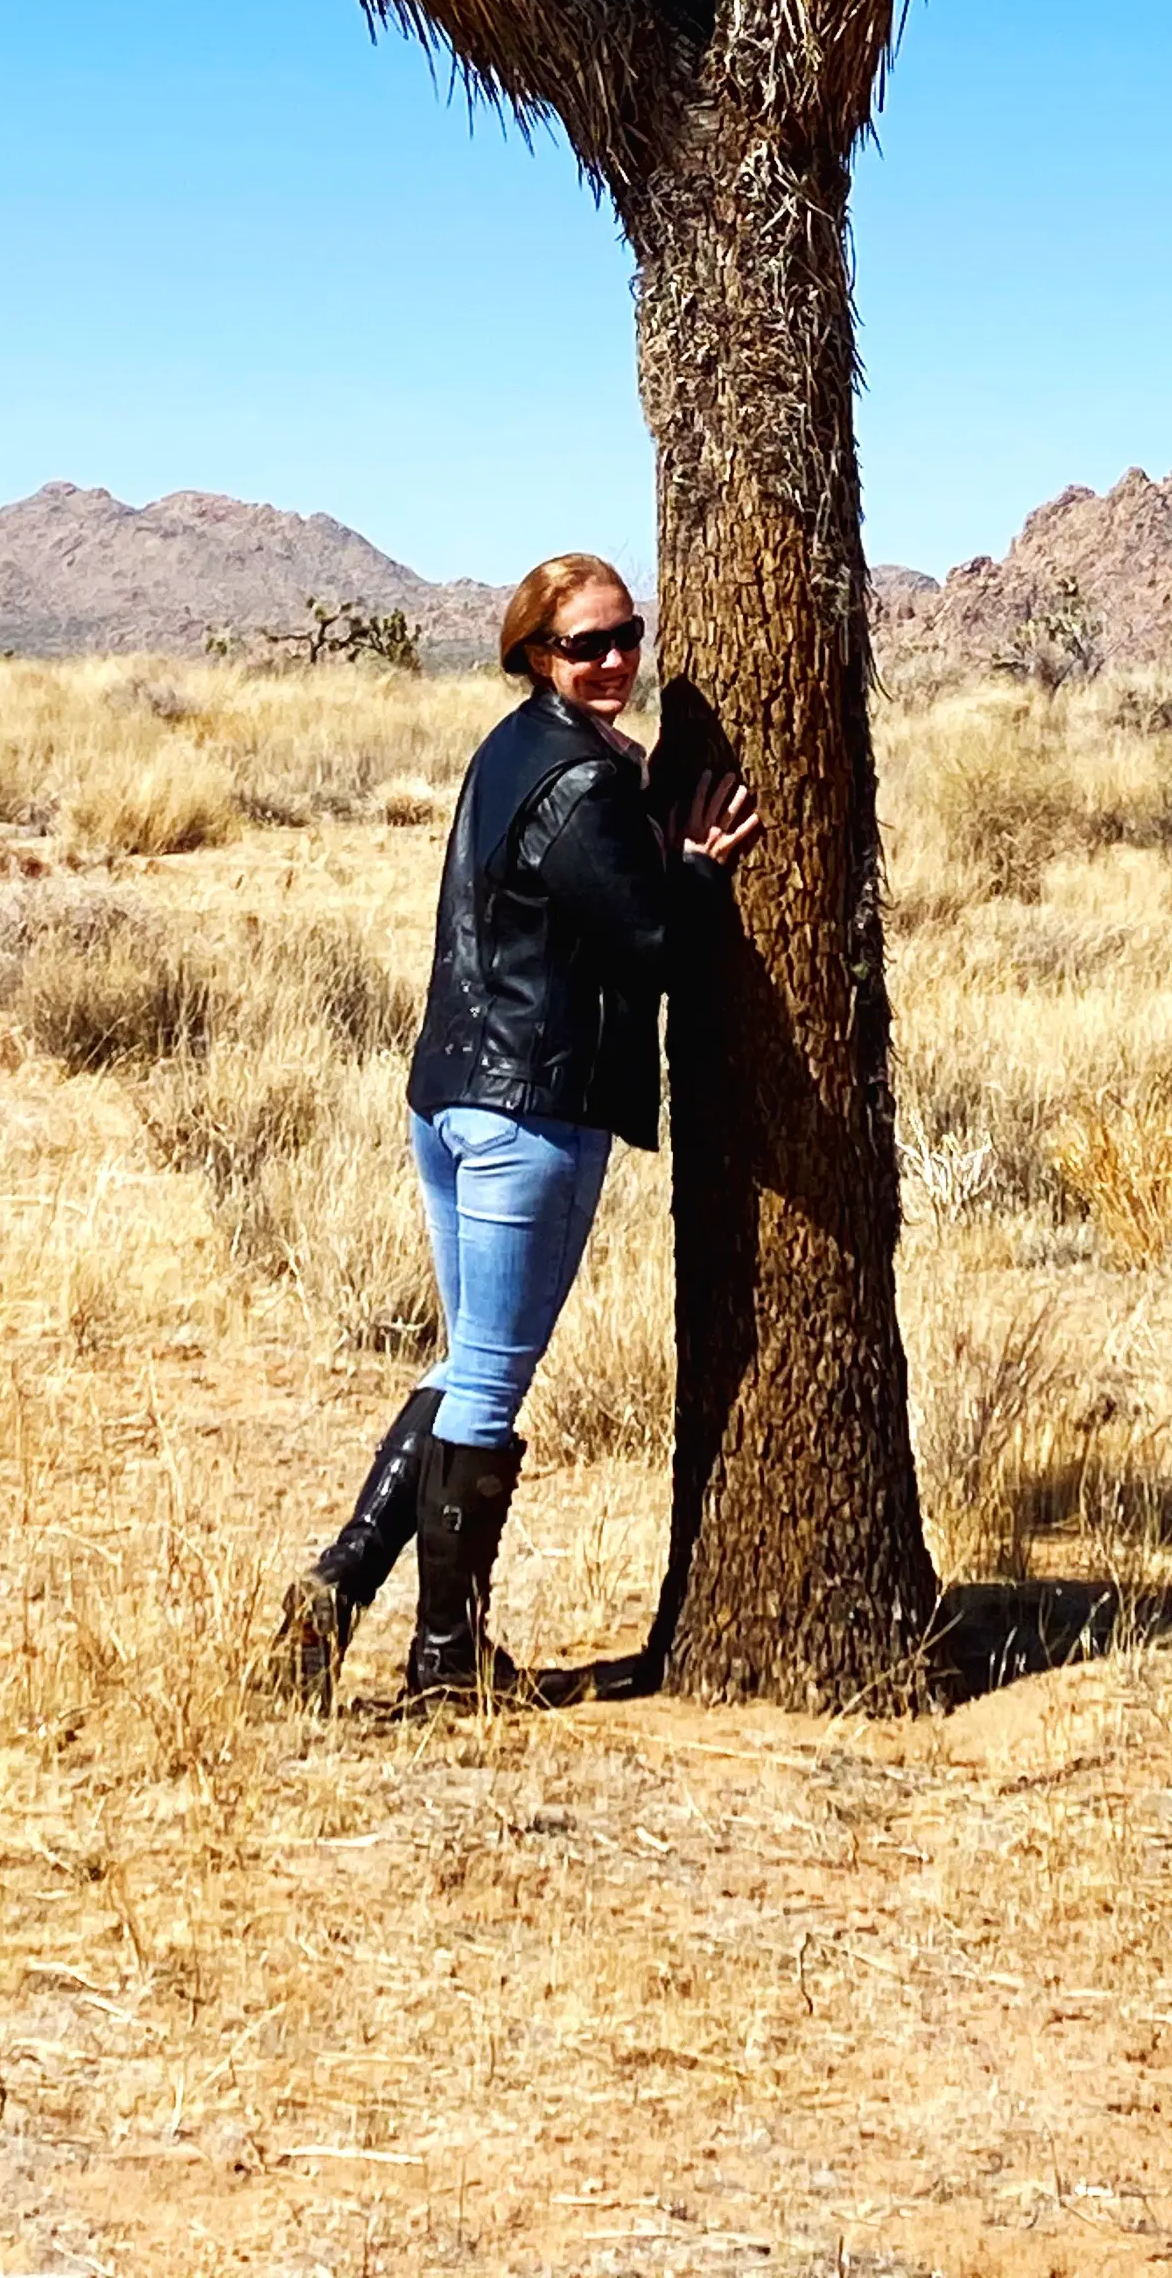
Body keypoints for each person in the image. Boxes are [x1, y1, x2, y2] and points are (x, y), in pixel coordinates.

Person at [271, 554, 759, 1704]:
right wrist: (692, 870)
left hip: (451, 1095)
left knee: (466, 1365)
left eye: (627, 635)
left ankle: (331, 1603)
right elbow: (653, 949)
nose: (615, 661)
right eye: (585, 646)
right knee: (489, 1380)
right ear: (534, 654)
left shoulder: (518, 750)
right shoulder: (582, 787)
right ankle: (445, 1661)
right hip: (529, 1108)